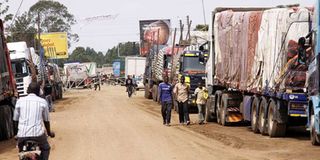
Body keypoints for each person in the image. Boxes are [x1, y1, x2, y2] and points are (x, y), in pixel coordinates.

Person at [13, 82, 55, 160]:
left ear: (27, 90)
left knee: (21, 150)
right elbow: (46, 120)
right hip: (38, 135)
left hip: (22, 135)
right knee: (46, 148)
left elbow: (15, 119)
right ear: (39, 91)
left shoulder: (19, 101)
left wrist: (16, 134)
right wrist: (49, 133)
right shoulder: (42, 102)